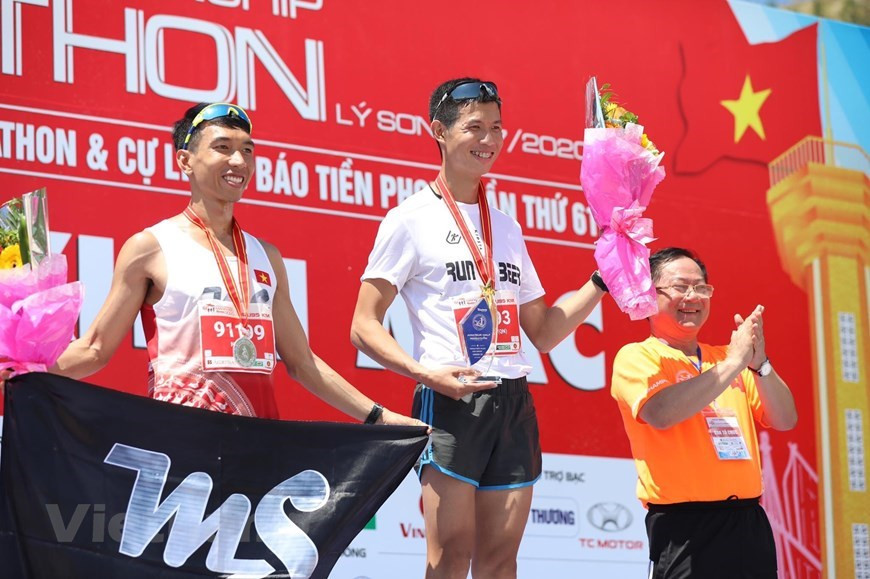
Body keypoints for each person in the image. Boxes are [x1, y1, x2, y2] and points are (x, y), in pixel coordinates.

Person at [350, 78, 608, 578]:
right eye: (474, 127)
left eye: (496, 127)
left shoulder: (506, 227)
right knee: (449, 558)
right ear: (439, 132)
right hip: (451, 398)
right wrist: (427, 375)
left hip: (512, 398)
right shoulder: (409, 219)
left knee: (499, 562)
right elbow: (364, 326)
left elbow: (546, 331)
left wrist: (602, 279)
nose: (488, 138)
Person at [47, 102, 423, 428]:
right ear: (185, 160)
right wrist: (23, 369)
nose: (238, 161)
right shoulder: (150, 248)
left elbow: (302, 363)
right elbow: (95, 348)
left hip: (258, 448)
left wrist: (380, 417)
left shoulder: (267, 256)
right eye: (222, 148)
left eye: (247, 150)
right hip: (181, 444)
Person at [611, 247, 798, 579]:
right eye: (681, 286)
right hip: (684, 527)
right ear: (650, 295)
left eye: (701, 287)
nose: (693, 296)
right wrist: (733, 364)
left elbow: (785, 419)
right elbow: (662, 413)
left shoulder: (729, 359)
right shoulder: (638, 357)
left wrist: (760, 364)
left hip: (747, 522)